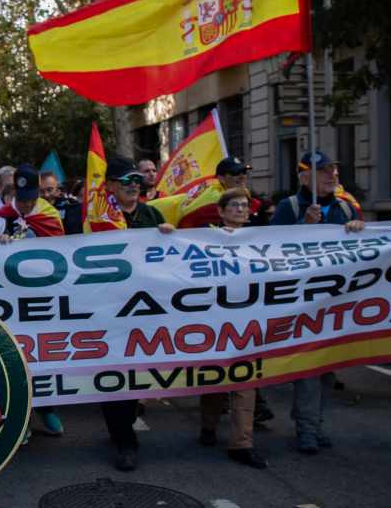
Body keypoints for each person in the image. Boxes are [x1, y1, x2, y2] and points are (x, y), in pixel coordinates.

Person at [270, 151, 365, 453]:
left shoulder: (347, 210)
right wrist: (302, 225)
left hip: (336, 302)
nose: (332, 176)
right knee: (310, 366)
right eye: (324, 171)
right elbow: (266, 250)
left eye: (334, 171)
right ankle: (309, 428)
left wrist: (359, 230)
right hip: (303, 301)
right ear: (304, 176)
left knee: (327, 368)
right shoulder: (290, 207)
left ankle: (311, 419)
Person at [88, 156, 174, 469]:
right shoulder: (93, 217)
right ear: (110, 185)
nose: (134, 186)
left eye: (137, 180)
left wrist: (169, 238)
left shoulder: (151, 214)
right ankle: (124, 439)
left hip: (143, 309)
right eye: (126, 181)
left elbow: (170, 260)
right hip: (106, 309)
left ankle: (122, 428)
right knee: (112, 371)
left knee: (134, 372)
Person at [195, 189, 267, 468]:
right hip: (213, 319)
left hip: (248, 319)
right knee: (213, 379)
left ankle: (241, 443)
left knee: (245, 378)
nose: (240, 209)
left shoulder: (262, 239)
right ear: (221, 211)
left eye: (244, 205)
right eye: (234, 205)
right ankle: (209, 425)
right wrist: (165, 231)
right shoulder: (204, 238)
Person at [0, 164, 65, 238]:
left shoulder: (50, 215)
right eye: (22, 199)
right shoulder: (1, 216)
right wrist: (0, 240)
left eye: (33, 199)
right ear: (13, 192)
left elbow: (58, 246)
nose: (28, 204)